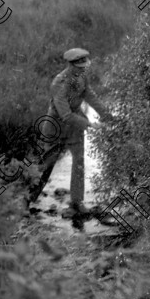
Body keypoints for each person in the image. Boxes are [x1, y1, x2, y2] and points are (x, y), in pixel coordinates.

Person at [28, 48, 113, 218]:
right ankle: (26, 200)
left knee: (79, 162)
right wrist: (89, 124)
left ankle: (76, 203)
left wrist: (108, 116)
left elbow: (91, 96)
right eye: (80, 65)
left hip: (74, 128)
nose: (84, 68)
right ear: (71, 65)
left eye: (85, 64)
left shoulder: (82, 76)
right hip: (56, 128)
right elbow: (65, 115)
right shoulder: (59, 83)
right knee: (47, 165)